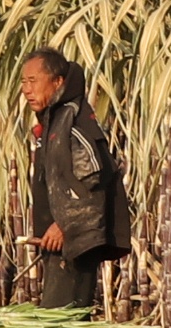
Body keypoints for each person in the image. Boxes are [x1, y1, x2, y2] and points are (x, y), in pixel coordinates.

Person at [23, 49, 128, 311]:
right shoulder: (54, 120)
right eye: (23, 82)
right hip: (61, 242)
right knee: (60, 324)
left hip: (75, 242)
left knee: (58, 326)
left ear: (58, 82)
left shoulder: (73, 120)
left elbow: (94, 178)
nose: (26, 89)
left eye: (33, 81)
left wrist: (64, 226)